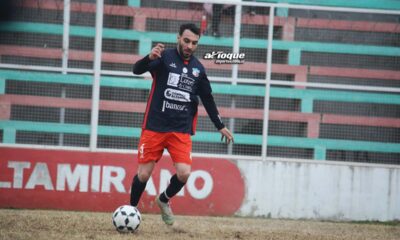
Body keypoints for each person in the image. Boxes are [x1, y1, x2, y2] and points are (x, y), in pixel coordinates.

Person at [130, 23, 234, 226]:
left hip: (180, 130)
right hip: (155, 126)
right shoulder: (163, 57)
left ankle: (163, 199)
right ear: (178, 38)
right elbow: (136, 70)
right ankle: (131, 210)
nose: (189, 46)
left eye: (194, 43)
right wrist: (148, 59)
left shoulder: (198, 69)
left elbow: (208, 98)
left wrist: (219, 124)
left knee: (185, 173)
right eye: (186, 41)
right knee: (143, 174)